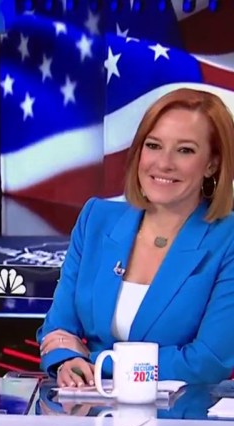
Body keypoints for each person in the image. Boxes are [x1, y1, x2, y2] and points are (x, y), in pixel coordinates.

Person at [38, 88, 234, 387]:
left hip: (182, 412)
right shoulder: (96, 219)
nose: (164, 163)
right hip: (90, 409)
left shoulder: (227, 239)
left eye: (185, 150)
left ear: (212, 164)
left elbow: (207, 361)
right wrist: (67, 360)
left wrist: (97, 361)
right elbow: (58, 329)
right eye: (153, 145)